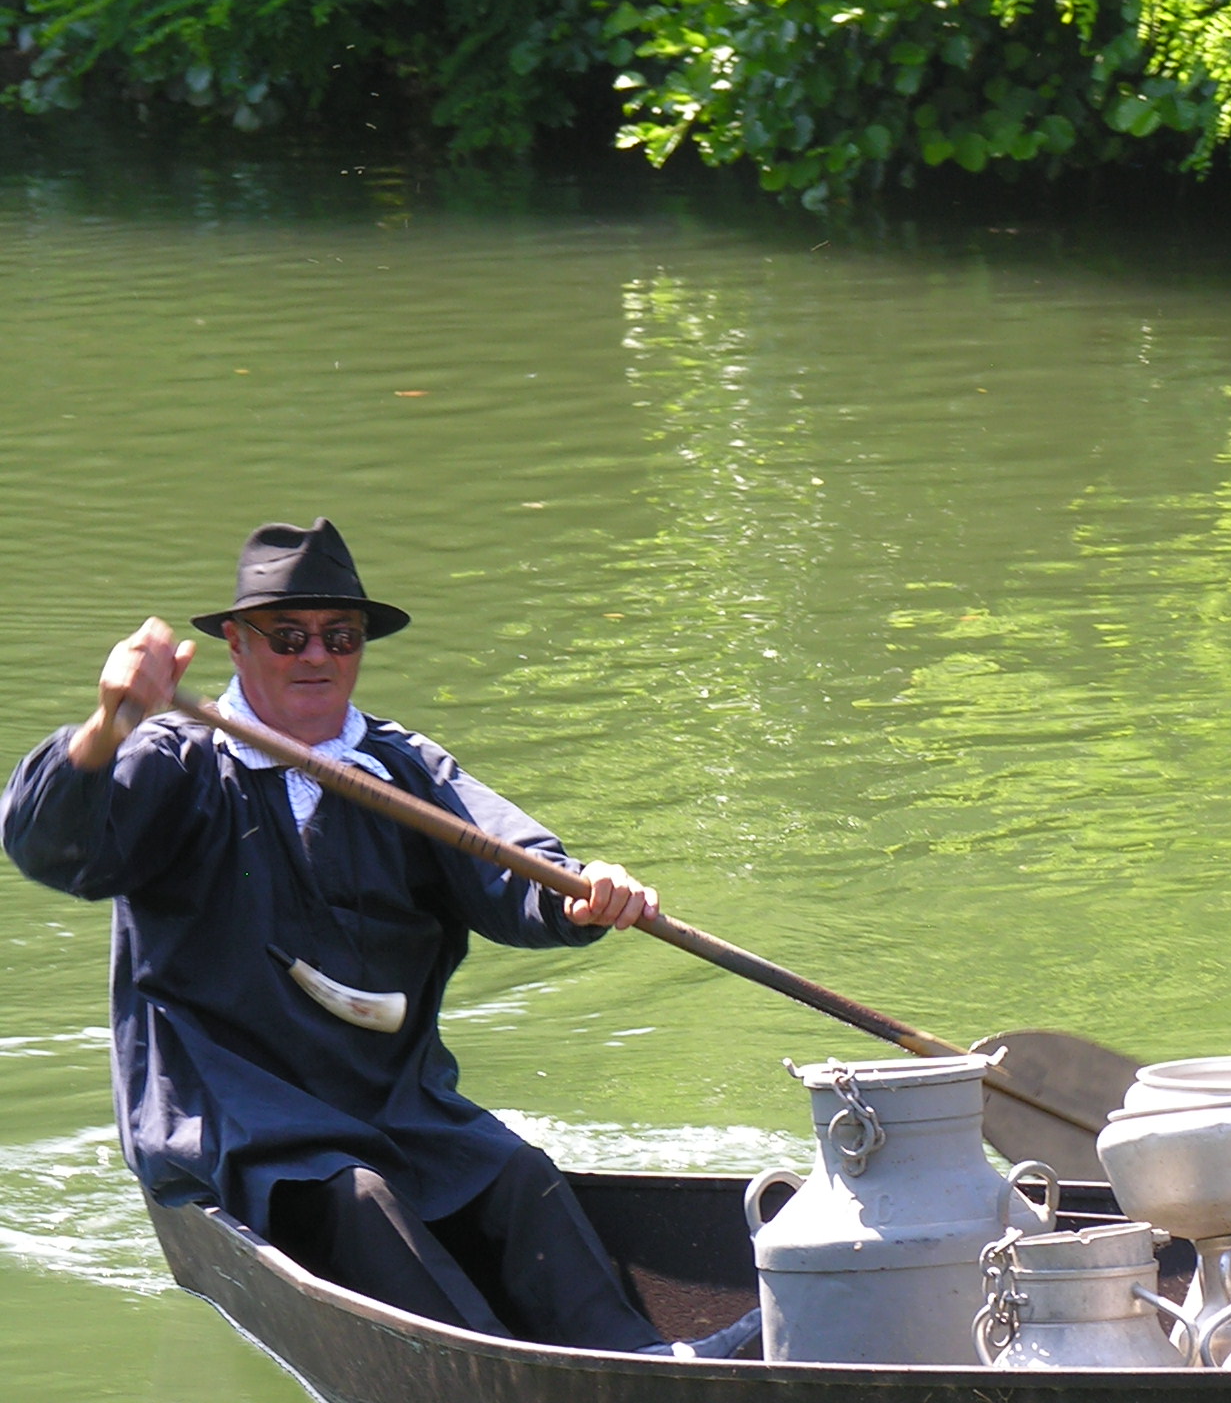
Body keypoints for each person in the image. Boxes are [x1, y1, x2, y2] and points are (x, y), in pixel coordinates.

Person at [2, 519, 741, 1355]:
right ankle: (493, 1372)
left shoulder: (405, 770)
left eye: (340, 636)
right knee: (356, 1196)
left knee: (515, 1174)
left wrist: (583, 897)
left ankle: (642, 1359)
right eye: (288, 636)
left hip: (391, 1103)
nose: (316, 656)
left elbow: (519, 871)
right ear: (238, 645)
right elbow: (44, 843)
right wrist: (107, 727)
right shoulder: (173, 760)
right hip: (231, 1106)